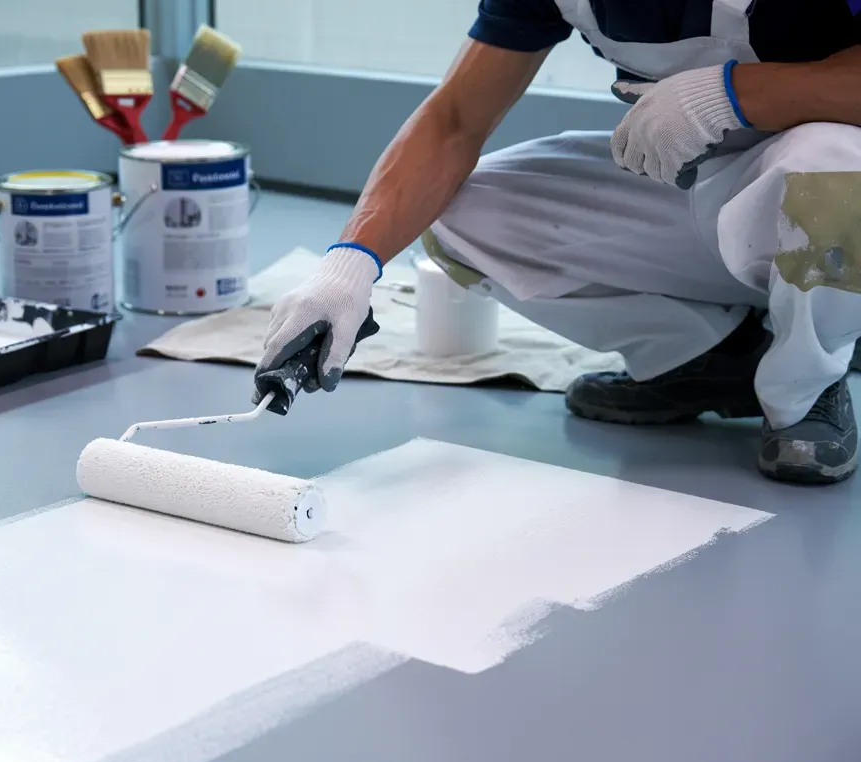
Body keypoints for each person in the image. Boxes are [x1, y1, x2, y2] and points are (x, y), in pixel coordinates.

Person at [253, 1, 861, 485]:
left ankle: (806, 387)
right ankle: (711, 359)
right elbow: (455, 120)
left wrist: (736, 93)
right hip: (689, 181)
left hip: (825, 200)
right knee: (460, 213)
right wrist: (348, 268)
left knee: (832, 166)